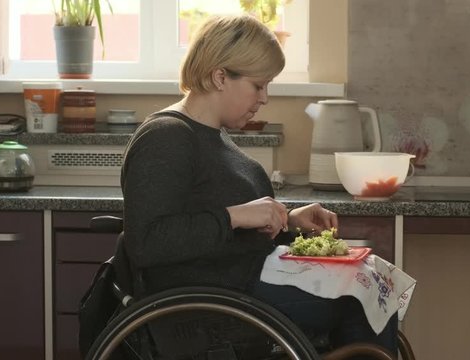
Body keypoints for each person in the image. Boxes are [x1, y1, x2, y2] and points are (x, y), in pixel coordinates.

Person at [120, 14, 398, 358]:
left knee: (376, 283)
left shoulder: (216, 139)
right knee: (362, 298)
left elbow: (227, 231)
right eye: (259, 85)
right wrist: (237, 215)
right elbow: (147, 243)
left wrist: (288, 219)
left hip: (244, 287)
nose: (265, 98)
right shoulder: (165, 137)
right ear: (220, 76)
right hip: (212, 308)